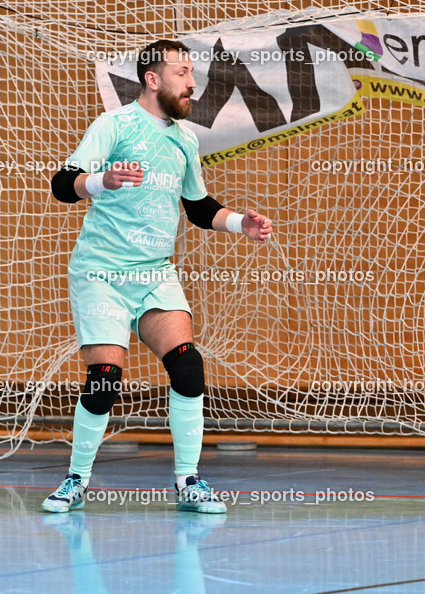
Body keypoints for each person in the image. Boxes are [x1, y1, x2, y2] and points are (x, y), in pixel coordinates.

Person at [43, 39, 273, 514]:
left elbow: (198, 206)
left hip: (154, 274)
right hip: (102, 273)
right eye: (181, 72)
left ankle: (189, 481)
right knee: (105, 380)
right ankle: (75, 479)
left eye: (193, 72)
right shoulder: (114, 125)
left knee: (188, 366)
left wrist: (239, 223)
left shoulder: (185, 139)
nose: (192, 82)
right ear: (153, 78)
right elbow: (62, 185)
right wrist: (102, 181)